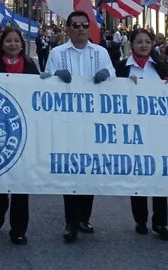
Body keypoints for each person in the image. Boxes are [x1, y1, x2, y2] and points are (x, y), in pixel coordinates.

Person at [43, 10, 115, 243]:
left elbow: (114, 78)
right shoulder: (57, 53)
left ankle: (84, 217)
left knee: (90, 170)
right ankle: (70, 222)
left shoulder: (101, 52)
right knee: (71, 171)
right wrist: (56, 76)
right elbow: (45, 79)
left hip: (94, 121)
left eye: (85, 25)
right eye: (76, 25)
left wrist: (107, 74)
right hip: (67, 121)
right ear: (68, 29)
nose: (81, 29)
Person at [0, 27, 39, 245]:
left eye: (17, 41)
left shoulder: (30, 66)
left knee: (21, 183)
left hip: (23, 131)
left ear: (22, 45)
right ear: (1, 44)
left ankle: (19, 229)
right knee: (0, 180)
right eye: (9, 41)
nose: (14, 44)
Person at [114, 28, 168, 241]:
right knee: (138, 173)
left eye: (147, 42)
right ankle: (140, 219)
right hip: (132, 129)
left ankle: (160, 222)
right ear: (131, 44)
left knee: (159, 176)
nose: (144, 45)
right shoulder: (121, 67)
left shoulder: (160, 65)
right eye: (139, 42)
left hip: (157, 129)